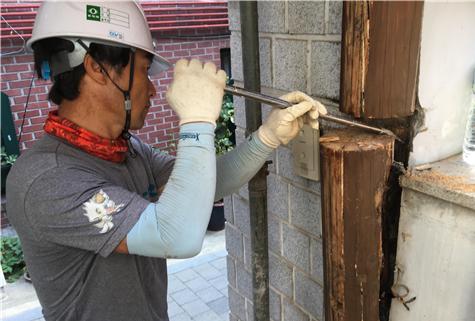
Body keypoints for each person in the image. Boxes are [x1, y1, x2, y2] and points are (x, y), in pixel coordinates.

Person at [6, 1, 327, 321]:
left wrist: (267, 137)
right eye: (144, 71)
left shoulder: (127, 150)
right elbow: (179, 236)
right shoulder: (46, 180)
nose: (153, 89)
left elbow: (206, 184)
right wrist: (198, 120)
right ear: (97, 68)